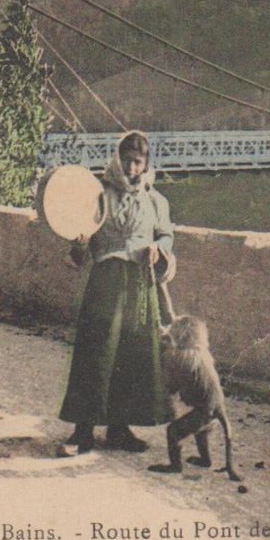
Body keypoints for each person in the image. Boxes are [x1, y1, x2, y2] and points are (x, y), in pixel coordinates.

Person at [58, 130, 174, 453]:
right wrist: (80, 243)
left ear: (146, 164)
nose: (132, 168)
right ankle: (82, 431)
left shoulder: (155, 201)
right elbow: (81, 250)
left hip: (140, 284)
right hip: (106, 282)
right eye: (126, 160)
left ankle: (119, 430)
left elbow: (166, 236)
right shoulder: (99, 196)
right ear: (116, 159)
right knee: (97, 352)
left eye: (138, 162)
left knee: (132, 356)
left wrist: (157, 249)